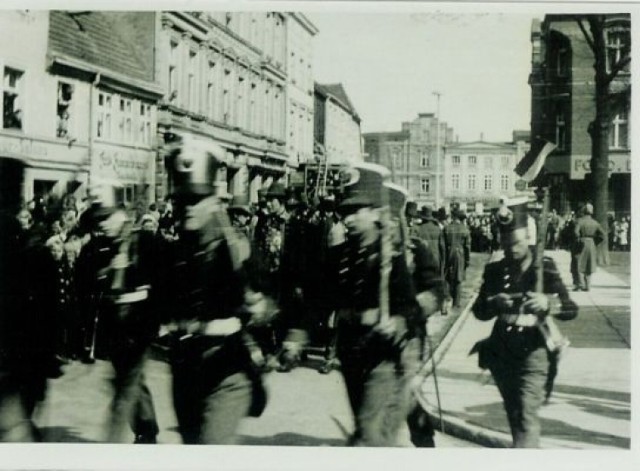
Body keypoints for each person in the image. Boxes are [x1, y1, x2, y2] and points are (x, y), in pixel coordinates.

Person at [161, 133, 269, 444]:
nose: (187, 208)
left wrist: (261, 307)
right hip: (184, 371)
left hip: (227, 370)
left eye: (196, 199)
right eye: (181, 200)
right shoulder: (172, 252)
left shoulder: (238, 249)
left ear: (213, 200)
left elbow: (274, 301)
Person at [470, 196, 578, 448]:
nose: (511, 249)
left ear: (527, 239)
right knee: (516, 415)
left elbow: (571, 308)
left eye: (516, 243)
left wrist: (547, 303)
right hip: (502, 352)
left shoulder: (544, 267)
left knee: (526, 416)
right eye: (506, 243)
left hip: (535, 352)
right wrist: (494, 302)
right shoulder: (495, 269)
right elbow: (479, 311)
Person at [329, 163, 421, 446]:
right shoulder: (339, 256)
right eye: (345, 212)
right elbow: (318, 297)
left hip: (383, 357)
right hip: (351, 353)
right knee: (366, 429)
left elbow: (411, 307)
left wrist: (398, 322)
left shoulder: (390, 258)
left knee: (370, 435)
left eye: (357, 211)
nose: (350, 219)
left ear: (374, 212)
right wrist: (297, 335)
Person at [443, 209, 470, 308]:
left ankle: (447, 299)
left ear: (453, 217)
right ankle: (456, 302)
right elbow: (467, 246)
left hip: (448, 252)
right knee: (458, 278)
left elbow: (443, 244)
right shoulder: (464, 228)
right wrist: (467, 260)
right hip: (459, 253)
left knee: (447, 276)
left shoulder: (446, 228)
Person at [574, 203, 605, 291]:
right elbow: (603, 235)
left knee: (580, 263)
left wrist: (579, 239)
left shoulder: (580, 221)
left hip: (582, 242)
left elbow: (575, 232)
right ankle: (588, 285)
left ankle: (581, 284)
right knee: (589, 264)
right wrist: (596, 242)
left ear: (584, 211)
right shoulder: (595, 223)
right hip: (591, 243)